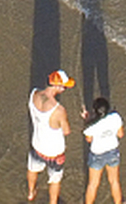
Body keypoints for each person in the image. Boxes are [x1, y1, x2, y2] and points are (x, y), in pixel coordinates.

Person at [27, 70, 74, 204]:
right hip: (54, 152)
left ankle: (31, 193)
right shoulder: (58, 110)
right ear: (57, 86)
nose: (64, 89)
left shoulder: (34, 94)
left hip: (37, 145)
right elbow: (66, 131)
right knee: (55, 179)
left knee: (32, 169)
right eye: (64, 86)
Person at [81, 96, 124, 204]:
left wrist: (87, 120)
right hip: (112, 151)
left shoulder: (91, 126)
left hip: (97, 154)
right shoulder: (115, 117)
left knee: (93, 184)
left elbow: (89, 140)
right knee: (114, 181)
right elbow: (120, 134)